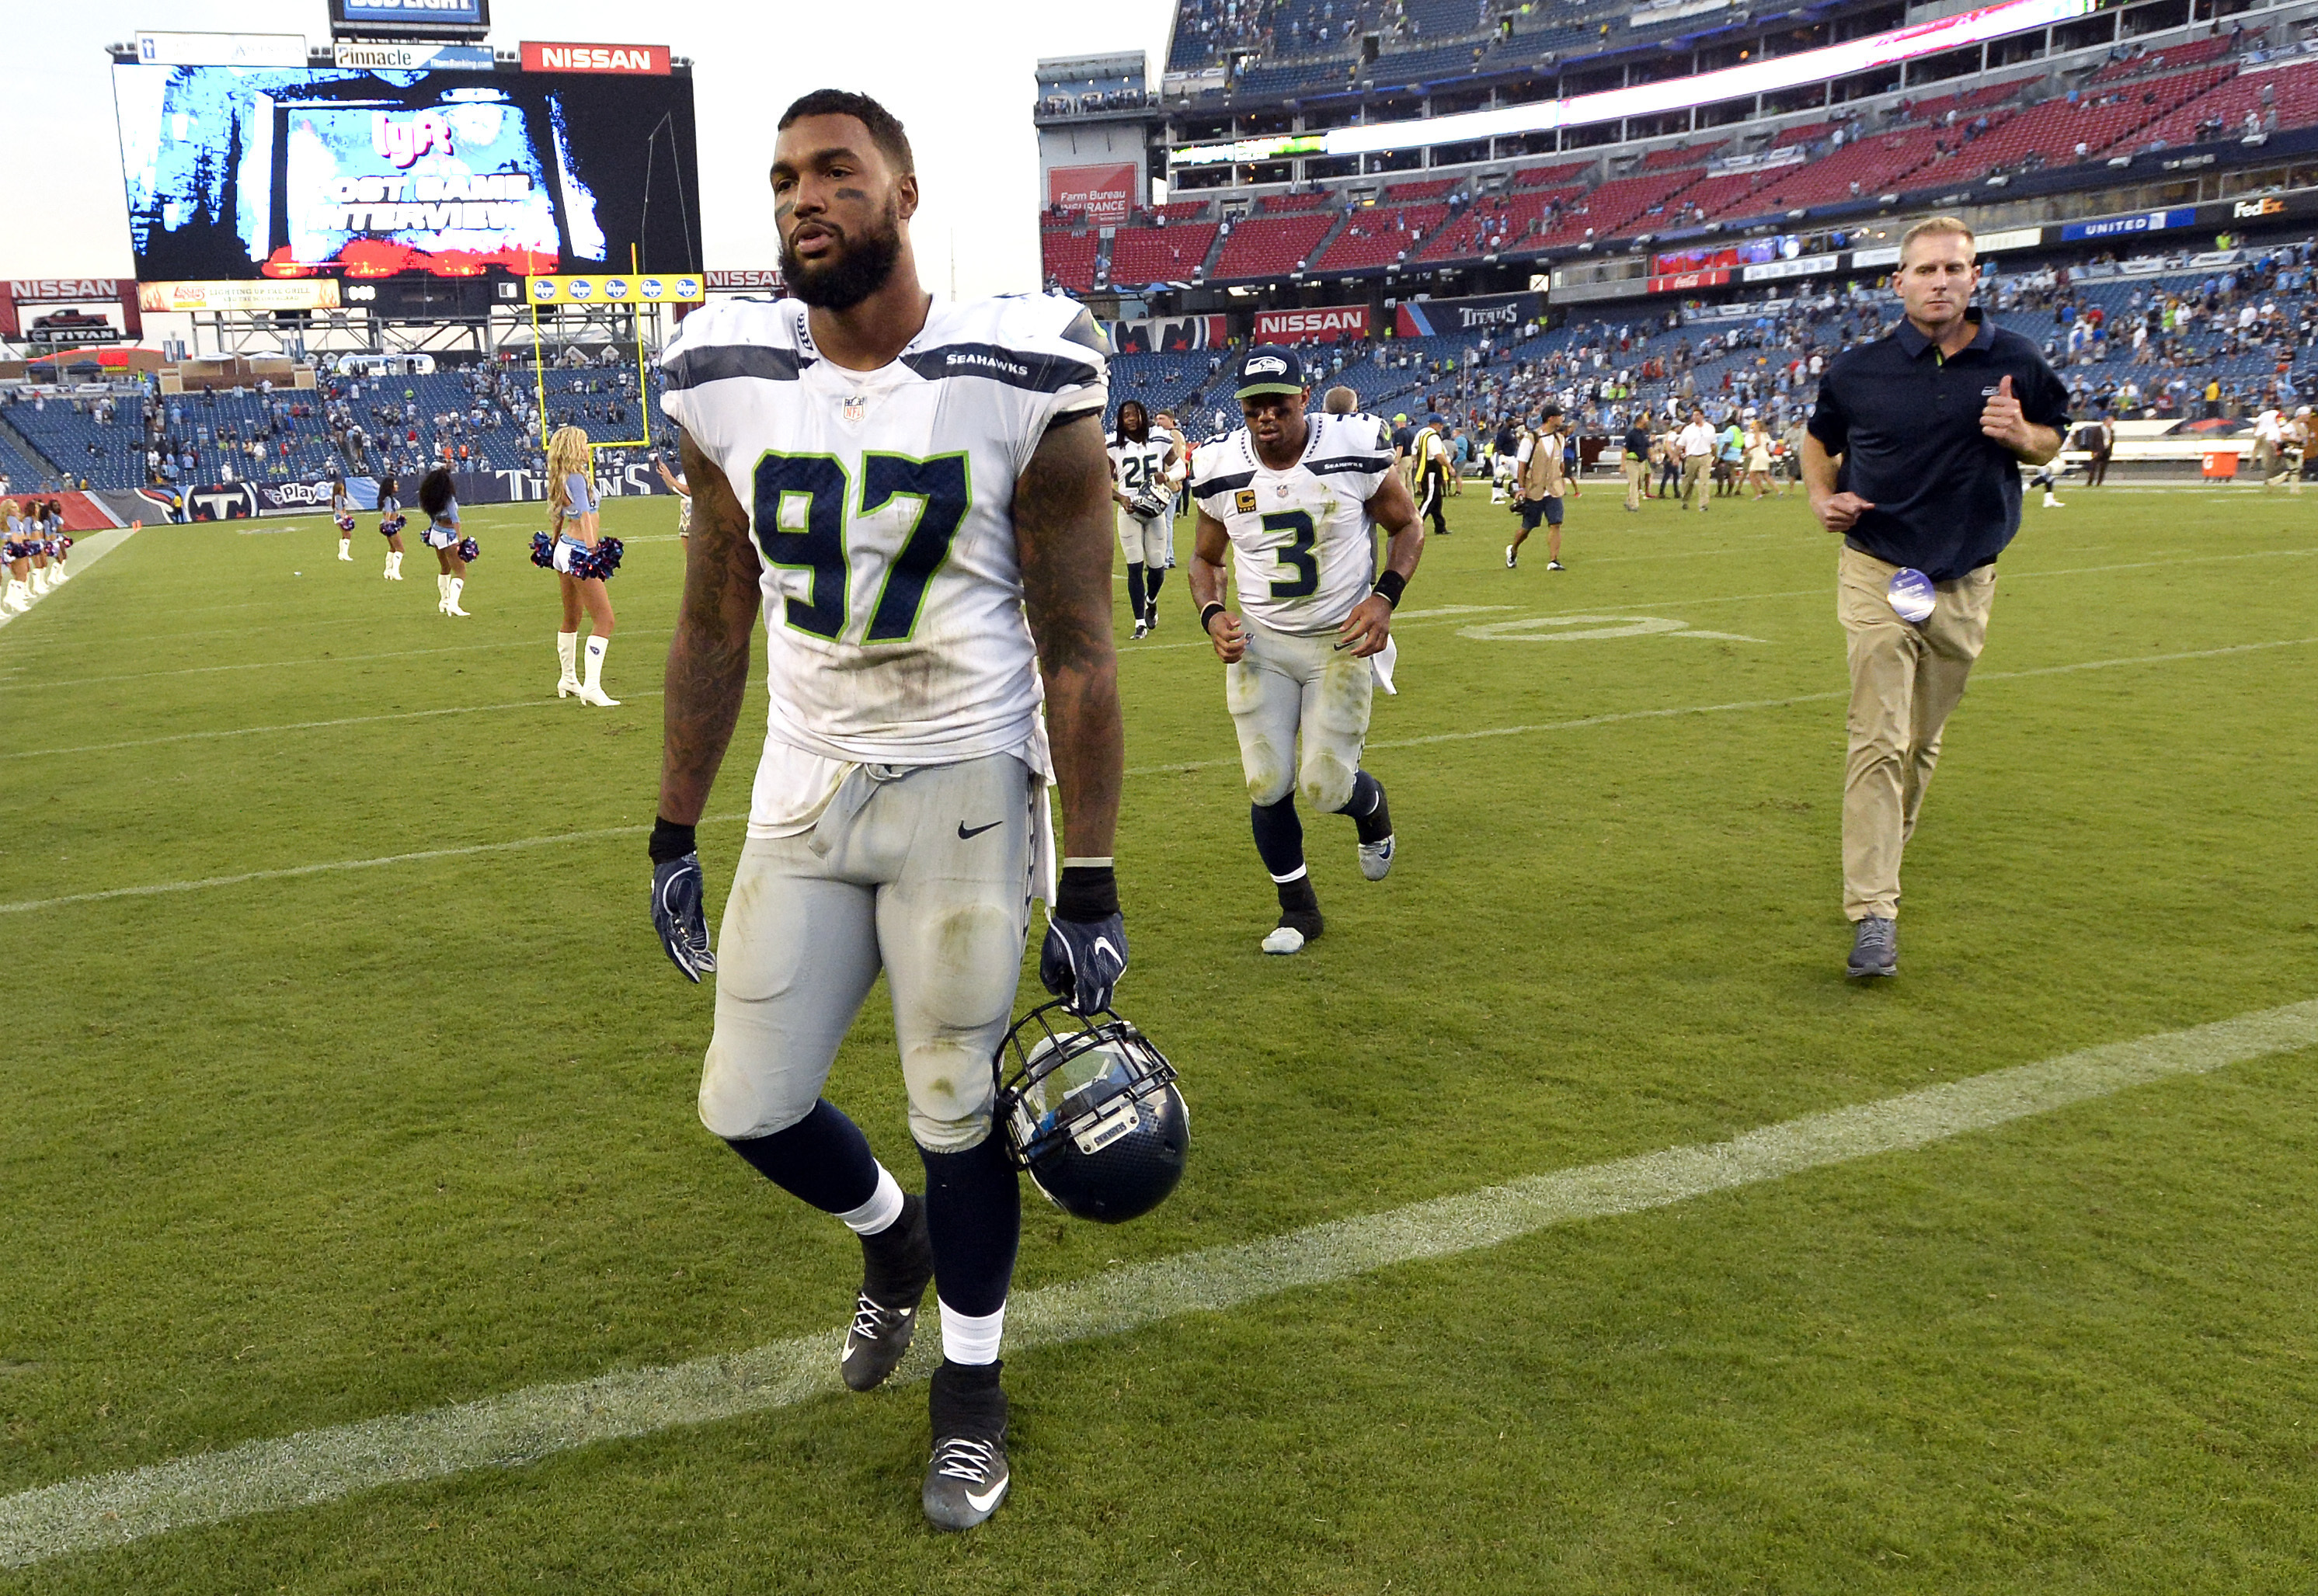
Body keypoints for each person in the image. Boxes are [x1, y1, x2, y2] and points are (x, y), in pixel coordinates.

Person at [646, 89, 1125, 1533]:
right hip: (805, 783)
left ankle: (969, 1392)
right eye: (785, 176)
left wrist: (1088, 877)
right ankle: (888, 1239)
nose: (805, 197)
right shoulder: (720, 370)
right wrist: (672, 828)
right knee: (747, 1101)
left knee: (953, 1104)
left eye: (837, 172)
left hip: (966, 782)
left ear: (904, 192)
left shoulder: (1017, 361)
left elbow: (1079, 648)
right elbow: (715, 613)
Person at [1802, 215, 2068, 980]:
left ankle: (1884, 853)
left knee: (1917, 743)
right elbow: (1817, 438)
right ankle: (1873, 914)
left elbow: (2055, 432)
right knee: (1876, 738)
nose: (1939, 281)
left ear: (1974, 276)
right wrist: (1820, 496)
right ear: (1898, 282)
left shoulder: (2015, 358)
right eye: (1924, 270)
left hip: (1963, 579)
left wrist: (2021, 436)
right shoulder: (1857, 371)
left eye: (1953, 268)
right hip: (1877, 571)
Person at [1186, 344, 1422, 954]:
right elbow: (1205, 559)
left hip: (1339, 639)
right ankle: (1298, 908)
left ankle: (1371, 808)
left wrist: (1385, 597)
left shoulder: (1351, 446)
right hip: (1261, 643)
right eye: (1253, 406)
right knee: (1267, 782)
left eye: (1278, 404)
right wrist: (1213, 613)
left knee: (1324, 787)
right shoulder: (1220, 466)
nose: (1266, 417)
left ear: (1303, 400)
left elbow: (1408, 525)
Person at [538, 425, 621, 705]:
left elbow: (559, 516)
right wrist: (593, 550)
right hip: (578, 550)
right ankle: (592, 687)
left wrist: (553, 543)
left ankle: (568, 679)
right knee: (605, 619)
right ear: (574, 447)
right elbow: (585, 516)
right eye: (585, 444)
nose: (588, 449)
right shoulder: (575, 477)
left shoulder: (562, 477)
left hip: (563, 548)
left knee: (572, 617)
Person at [1108, 399, 1177, 638]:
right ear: (1120, 418)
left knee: (1157, 568)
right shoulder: (1113, 445)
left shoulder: (1159, 439)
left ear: (1142, 416)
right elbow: (1100, 482)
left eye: (1134, 414)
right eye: (1125, 415)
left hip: (1155, 511)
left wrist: (1165, 477)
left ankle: (1152, 600)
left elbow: (1181, 467)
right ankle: (1139, 622)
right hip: (1130, 512)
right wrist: (1120, 497)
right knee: (1134, 567)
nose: (1130, 418)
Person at [1509, 402, 1569, 570]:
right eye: (1559, 416)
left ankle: (1553, 560)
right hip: (1534, 488)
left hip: (1553, 488)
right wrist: (1521, 488)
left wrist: (1560, 478)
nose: (1562, 419)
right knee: (1528, 526)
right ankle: (1513, 549)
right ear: (1551, 418)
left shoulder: (1560, 439)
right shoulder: (1531, 439)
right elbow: (1522, 466)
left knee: (1555, 523)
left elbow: (1560, 463)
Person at [416, 468, 472, 617]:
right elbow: (455, 519)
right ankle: (453, 605)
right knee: (460, 572)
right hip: (447, 535)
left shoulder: (431, 498)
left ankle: (444, 601)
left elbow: (432, 517)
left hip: (435, 532)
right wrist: (460, 540)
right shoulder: (448, 498)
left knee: (445, 568)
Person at [1411, 415, 1452, 537]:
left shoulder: (1423, 434)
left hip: (1427, 469)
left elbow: (1415, 449)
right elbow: (1438, 455)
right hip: (1432, 471)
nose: (1441, 427)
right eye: (1440, 424)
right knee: (1429, 500)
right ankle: (1414, 525)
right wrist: (1449, 467)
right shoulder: (1433, 436)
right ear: (1434, 424)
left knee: (1437, 501)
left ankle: (1440, 526)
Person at [1677, 407, 1717, 510]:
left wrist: (1714, 455)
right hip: (1692, 456)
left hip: (1705, 456)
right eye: (1694, 415)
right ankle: (1685, 500)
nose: (1695, 417)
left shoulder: (1710, 428)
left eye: (1697, 415)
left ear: (1702, 416)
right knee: (1689, 481)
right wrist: (1676, 456)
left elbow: (1713, 444)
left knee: (1704, 481)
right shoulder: (1688, 429)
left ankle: (1703, 504)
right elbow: (1680, 444)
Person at [654, 450, 693, 538]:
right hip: (686, 516)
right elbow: (675, 489)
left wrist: (670, 478)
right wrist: (664, 475)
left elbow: (688, 490)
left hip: (695, 515)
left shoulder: (699, 471)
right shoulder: (685, 473)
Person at [1621, 414, 1651, 512]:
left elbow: (1647, 446)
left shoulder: (1643, 434)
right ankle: (1634, 505)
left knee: (1638, 483)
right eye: (1645, 419)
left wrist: (1652, 456)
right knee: (1634, 483)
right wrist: (1622, 464)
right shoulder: (1631, 434)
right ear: (1640, 421)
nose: (1647, 420)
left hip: (1642, 461)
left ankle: (1629, 500)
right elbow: (1625, 450)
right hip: (1632, 462)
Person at [1744, 418, 1778, 498]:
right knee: (1766, 475)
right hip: (1764, 455)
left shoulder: (1757, 434)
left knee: (1752, 475)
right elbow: (1768, 445)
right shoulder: (1765, 435)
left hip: (1758, 456)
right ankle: (1778, 491)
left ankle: (1758, 494)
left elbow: (1758, 443)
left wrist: (1748, 449)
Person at [330, 477, 354, 562]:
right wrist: (344, 517)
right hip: (340, 517)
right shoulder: (338, 497)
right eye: (342, 489)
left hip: (340, 516)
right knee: (348, 535)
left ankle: (341, 554)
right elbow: (339, 508)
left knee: (345, 535)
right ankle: (345, 554)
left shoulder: (338, 497)